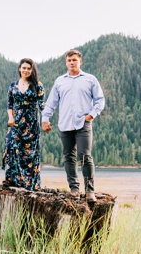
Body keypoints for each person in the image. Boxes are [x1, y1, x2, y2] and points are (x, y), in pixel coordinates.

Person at [41, 49, 106, 201]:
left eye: (74, 60)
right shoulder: (60, 81)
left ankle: (90, 190)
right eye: (69, 60)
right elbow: (51, 103)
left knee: (85, 156)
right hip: (65, 124)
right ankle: (74, 189)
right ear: (66, 62)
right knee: (69, 157)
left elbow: (100, 100)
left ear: (80, 62)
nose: (72, 62)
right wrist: (45, 119)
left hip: (83, 124)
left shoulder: (90, 79)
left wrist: (91, 115)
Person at [2, 58, 45, 190]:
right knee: (11, 147)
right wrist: (10, 117)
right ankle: (11, 179)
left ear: (32, 70)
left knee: (29, 154)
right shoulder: (13, 85)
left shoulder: (37, 85)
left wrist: (45, 120)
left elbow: (42, 105)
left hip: (31, 124)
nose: (26, 70)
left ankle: (29, 183)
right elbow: (9, 104)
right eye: (24, 68)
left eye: (28, 68)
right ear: (19, 69)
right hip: (15, 123)